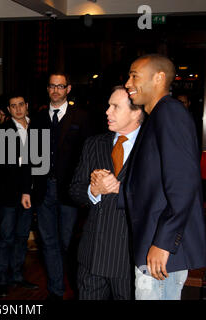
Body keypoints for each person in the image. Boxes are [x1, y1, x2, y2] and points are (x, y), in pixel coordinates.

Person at [123, 54, 206, 300]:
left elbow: (183, 182)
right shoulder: (158, 116)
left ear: (159, 78)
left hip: (161, 249)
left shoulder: (169, 113)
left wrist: (163, 241)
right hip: (155, 242)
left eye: (134, 75)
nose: (128, 83)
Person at [69, 86, 144, 300]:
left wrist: (121, 189)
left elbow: (159, 199)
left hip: (129, 259)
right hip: (91, 257)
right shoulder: (94, 143)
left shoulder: (151, 146)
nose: (107, 112)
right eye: (108, 105)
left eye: (115, 107)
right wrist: (94, 190)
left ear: (136, 112)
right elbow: (74, 190)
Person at [22, 71, 90, 300]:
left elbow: (87, 156)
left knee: (66, 242)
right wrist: (26, 189)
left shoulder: (81, 117)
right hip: (43, 190)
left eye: (60, 86)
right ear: (48, 89)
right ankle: (55, 290)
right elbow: (29, 156)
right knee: (48, 242)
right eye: (52, 86)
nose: (56, 90)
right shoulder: (39, 118)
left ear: (68, 89)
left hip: (69, 191)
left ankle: (74, 286)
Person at [0, 93, 38, 297]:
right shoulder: (1, 131)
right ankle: (0, 279)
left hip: (31, 192)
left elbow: (38, 162)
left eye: (21, 104)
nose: (18, 109)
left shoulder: (38, 128)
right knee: (5, 238)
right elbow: (4, 166)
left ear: (27, 105)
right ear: (8, 110)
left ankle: (17, 275)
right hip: (10, 194)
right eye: (13, 106)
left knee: (21, 237)